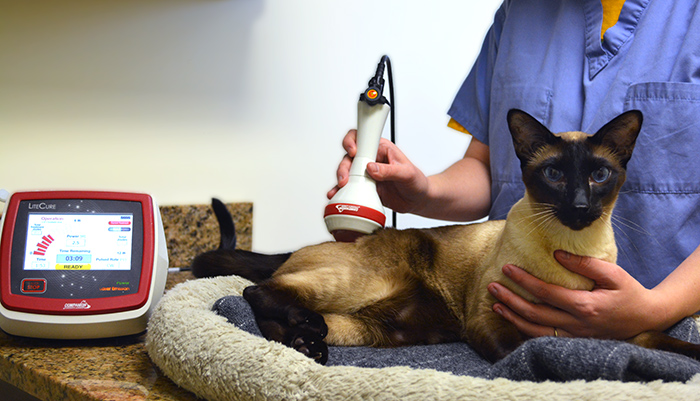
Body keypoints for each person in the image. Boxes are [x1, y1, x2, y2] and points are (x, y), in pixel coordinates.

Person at [328, 0, 700, 341]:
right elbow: (490, 169)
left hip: (667, 325)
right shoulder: (518, 12)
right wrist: (422, 192)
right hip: (507, 320)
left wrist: (656, 309)